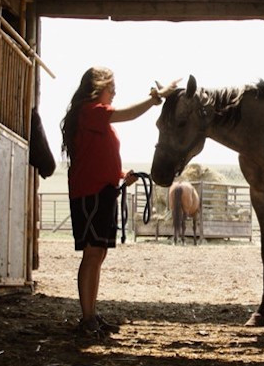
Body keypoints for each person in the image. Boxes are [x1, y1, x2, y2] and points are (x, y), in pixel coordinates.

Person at [60, 66, 178, 336]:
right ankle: (87, 317)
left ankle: (90, 314)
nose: (114, 92)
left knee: (97, 254)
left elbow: (97, 156)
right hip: (91, 194)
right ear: (97, 87)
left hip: (103, 191)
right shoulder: (90, 111)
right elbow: (129, 114)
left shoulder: (94, 117)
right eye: (110, 87)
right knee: (92, 254)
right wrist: (155, 98)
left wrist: (121, 176)